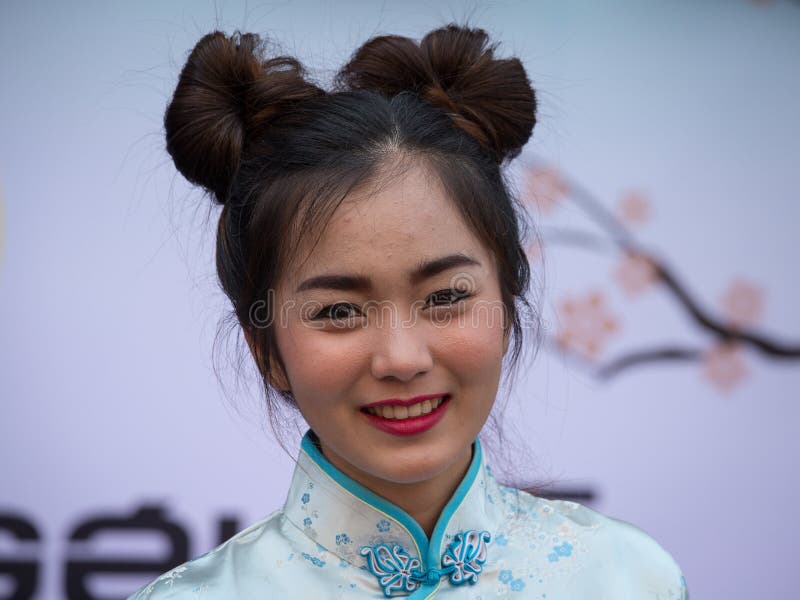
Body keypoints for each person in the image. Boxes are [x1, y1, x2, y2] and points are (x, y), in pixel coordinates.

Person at [129, 23, 688, 599]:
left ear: (507, 305)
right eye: (339, 311)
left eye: (446, 297)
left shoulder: (627, 578)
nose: (402, 359)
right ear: (264, 348)